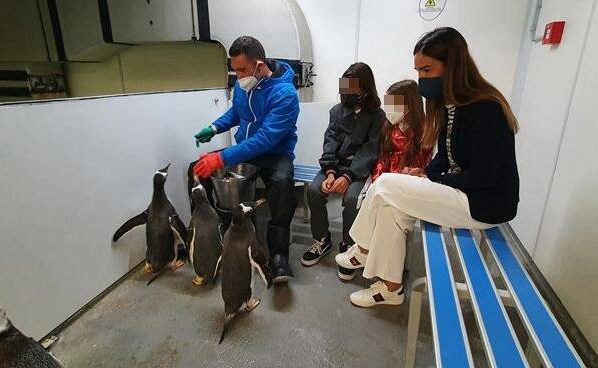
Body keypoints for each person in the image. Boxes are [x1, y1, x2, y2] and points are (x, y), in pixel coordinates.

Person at [335, 27, 520, 308]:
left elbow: (484, 176)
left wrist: (434, 180)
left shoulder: (486, 108)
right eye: (418, 71)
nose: (421, 79)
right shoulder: (450, 105)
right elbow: (445, 157)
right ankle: (390, 289)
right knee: (390, 205)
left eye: (427, 70)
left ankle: (362, 247)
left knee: (384, 184)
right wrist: (425, 173)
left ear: (453, 66)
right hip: (464, 192)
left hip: (484, 203)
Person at [191, 36, 300, 283]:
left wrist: (221, 157)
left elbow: (265, 140)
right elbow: (236, 112)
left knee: (283, 185)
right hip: (244, 150)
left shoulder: (285, 95)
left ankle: (279, 255)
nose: (237, 76)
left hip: (274, 154)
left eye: (241, 69)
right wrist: (214, 128)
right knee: (197, 171)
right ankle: (217, 240)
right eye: (234, 69)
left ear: (260, 66)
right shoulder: (245, 85)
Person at [300, 62, 384, 282]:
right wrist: (329, 171)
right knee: (315, 191)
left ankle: (349, 245)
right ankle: (322, 240)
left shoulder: (377, 116)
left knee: (352, 198)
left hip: (358, 170)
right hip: (334, 165)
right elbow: (330, 140)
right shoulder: (337, 111)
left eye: (353, 87)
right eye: (345, 87)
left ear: (365, 88)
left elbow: (370, 150)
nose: (347, 92)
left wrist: (348, 176)